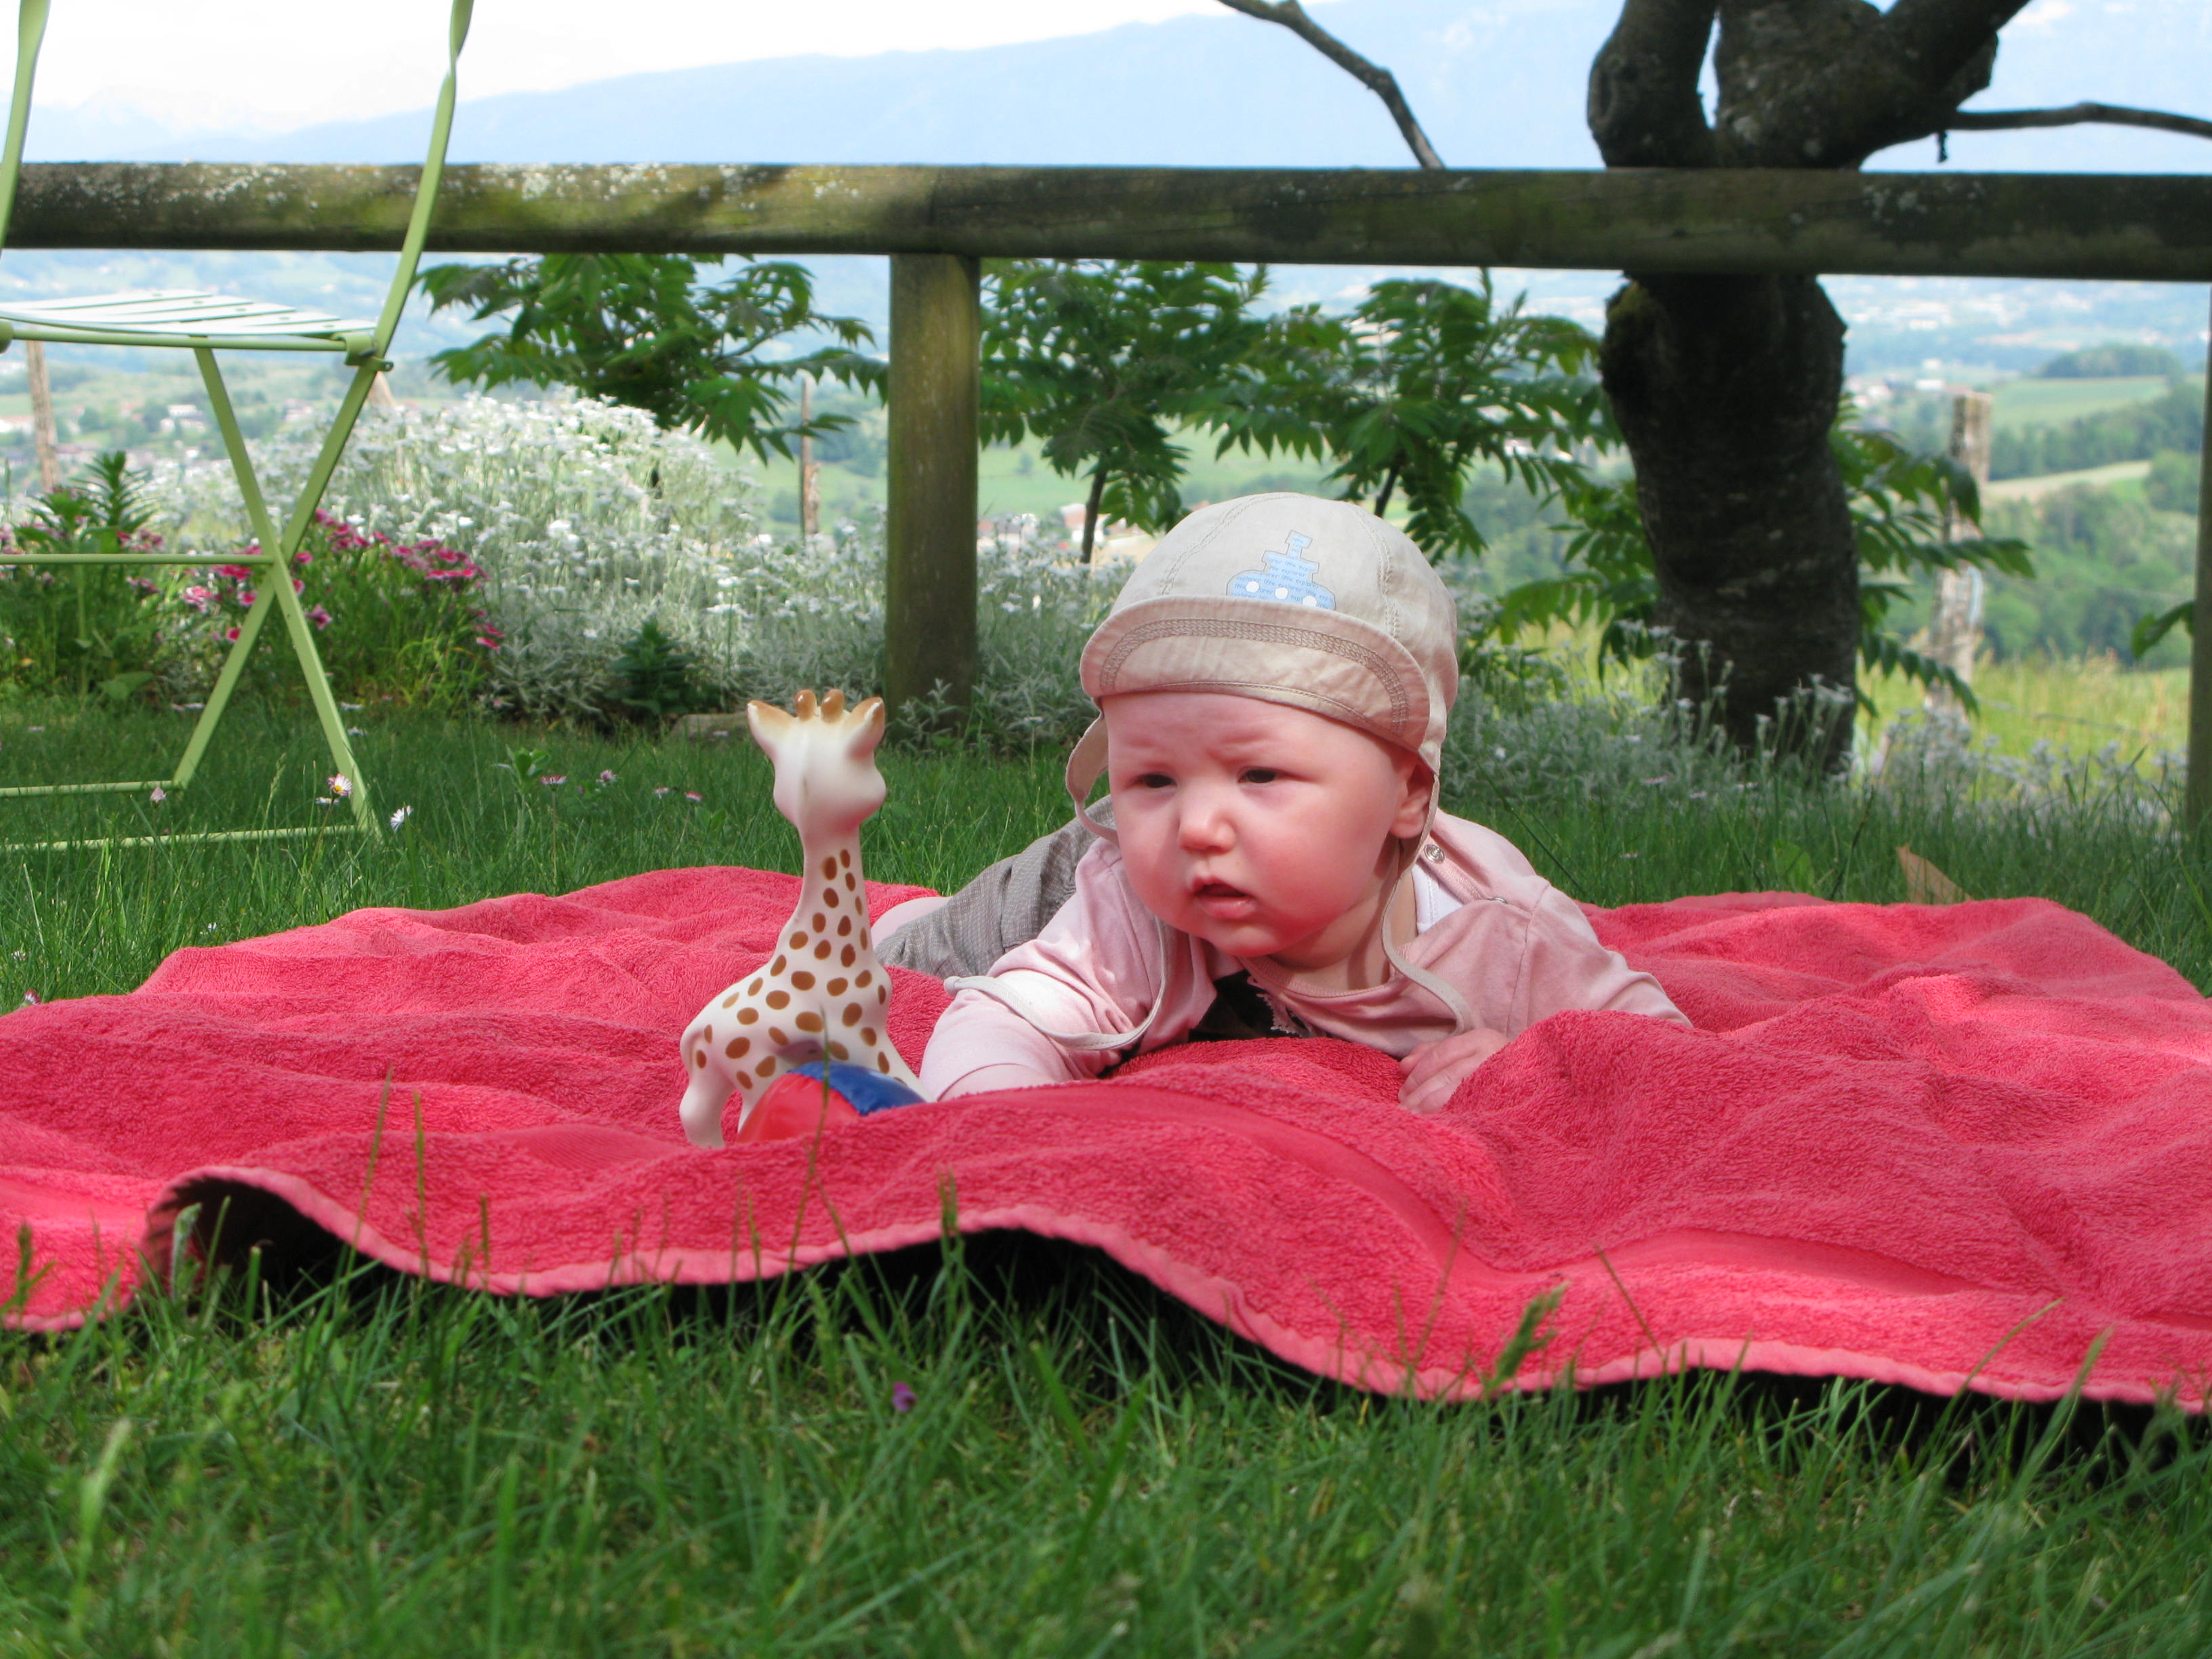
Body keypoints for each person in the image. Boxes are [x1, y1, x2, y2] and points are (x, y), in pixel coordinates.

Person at [885, 493, 1686, 1113]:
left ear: (1409, 793)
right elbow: (1000, 1023)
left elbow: (1657, 1053)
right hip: (1054, 892)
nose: (1197, 827)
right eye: (1153, 779)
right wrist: (1008, 1119)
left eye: (1261, 775)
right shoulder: (1130, 900)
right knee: (900, 964)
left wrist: (1528, 1066)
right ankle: (898, 916)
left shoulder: (1504, 941)